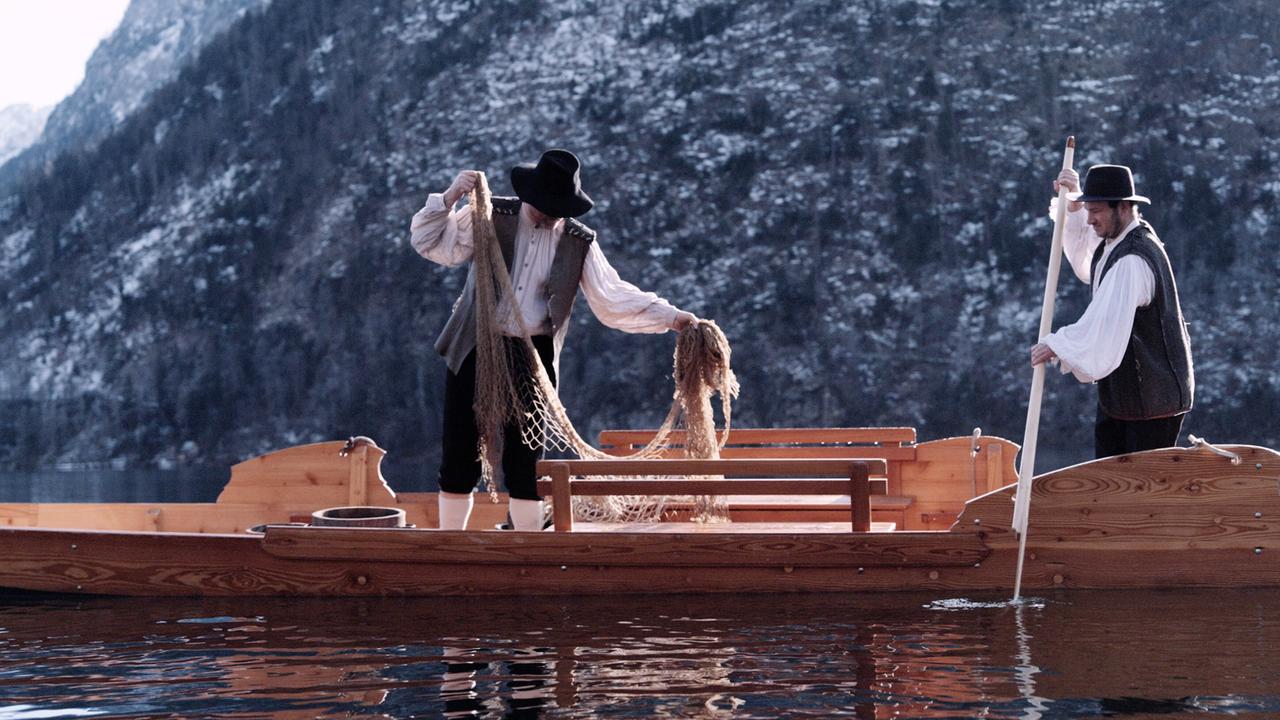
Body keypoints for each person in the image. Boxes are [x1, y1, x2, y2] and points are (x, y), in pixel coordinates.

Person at [410, 149, 697, 530]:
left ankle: (527, 546)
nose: (550, 215)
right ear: (529, 195)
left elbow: (611, 297)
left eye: (558, 208)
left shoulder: (579, 241)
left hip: (533, 354)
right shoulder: (491, 215)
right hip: (476, 344)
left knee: (526, 455)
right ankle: (451, 543)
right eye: (545, 206)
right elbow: (432, 244)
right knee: (460, 447)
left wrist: (674, 318)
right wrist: (448, 199)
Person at [1030, 163, 1194, 458]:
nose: (1091, 220)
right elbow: (1085, 261)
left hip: (1151, 399)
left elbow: (1105, 319)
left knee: (1141, 490)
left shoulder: (1133, 259)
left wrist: (1058, 344)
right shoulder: (1115, 243)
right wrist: (1075, 202)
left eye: (1096, 211)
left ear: (1123, 208)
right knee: (1108, 481)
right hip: (1126, 393)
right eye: (1088, 211)